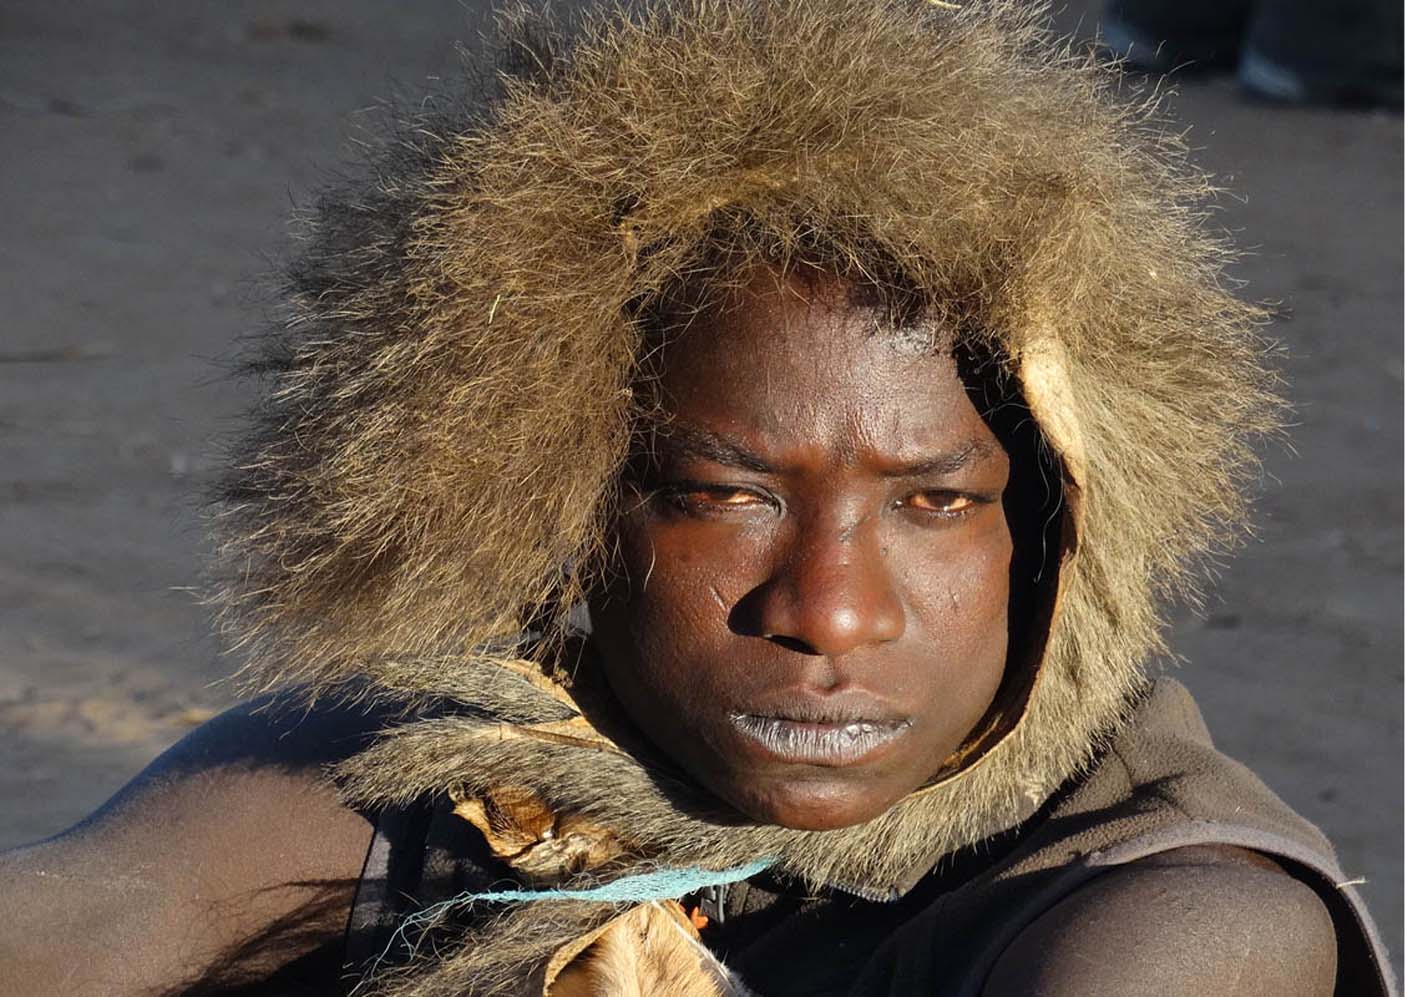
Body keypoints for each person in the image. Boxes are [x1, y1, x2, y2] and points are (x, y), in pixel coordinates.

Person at [0, 0, 1394, 994]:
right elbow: (86, 916)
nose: (829, 612)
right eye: (722, 495)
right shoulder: (462, 774)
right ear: (557, 512)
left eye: (933, 503)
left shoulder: (1171, 913)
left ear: (1057, 537)